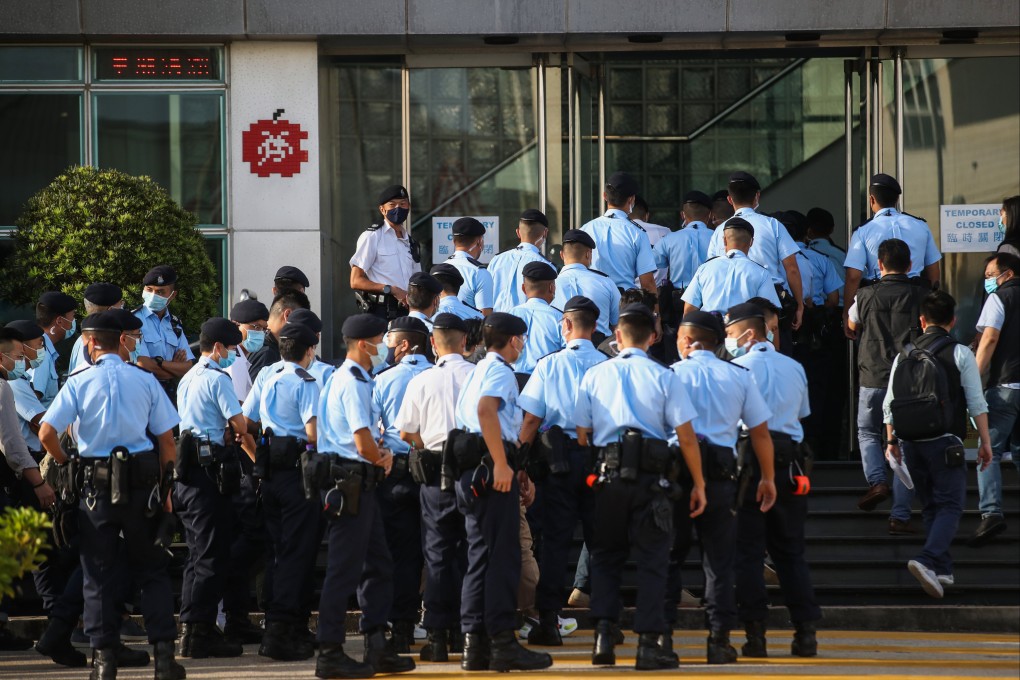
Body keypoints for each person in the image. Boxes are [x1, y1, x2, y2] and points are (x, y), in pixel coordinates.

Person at [37, 311, 184, 680]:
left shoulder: (78, 382)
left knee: (97, 574)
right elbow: (167, 440)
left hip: (94, 489)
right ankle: (164, 658)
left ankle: (103, 662)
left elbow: (46, 433)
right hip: (141, 488)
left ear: (88, 342)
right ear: (122, 340)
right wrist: (166, 489)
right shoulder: (144, 379)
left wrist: (66, 461)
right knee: (152, 569)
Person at [575, 303, 707, 671]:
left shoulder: (595, 375)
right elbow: (686, 436)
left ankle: (604, 634)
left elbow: (582, 434)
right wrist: (698, 483)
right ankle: (649, 645)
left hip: (608, 475)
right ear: (653, 337)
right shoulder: (665, 376)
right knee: (652, 561)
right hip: (653, 478)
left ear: (616, 336)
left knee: (605, 557)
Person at [664, 310, 776, 666]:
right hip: (722, 475)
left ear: (686, 341)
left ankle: (662, 639)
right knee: (719, 562)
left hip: (674, 472)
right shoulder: (738, 375)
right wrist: (769, 477)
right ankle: (719, 640)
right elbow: (759, 432)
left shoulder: (668, 375)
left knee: (667, 559)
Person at [314, 313, 415, 679]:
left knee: (378, 566)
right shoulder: (353, 381)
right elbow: (362, 439)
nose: (384, 349)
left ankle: (377, 645)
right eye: (380, 342)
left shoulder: (350, 378)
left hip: (358, 483)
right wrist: (383, 456)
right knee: (344, 570)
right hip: (351, 481)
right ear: (362, 344)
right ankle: (330, 651)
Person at [452, 312, 552, 672]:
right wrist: (502, 464)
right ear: (513, 340)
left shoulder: (478, 367)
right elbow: (485, 411)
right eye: (521, 339)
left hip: (473, 469)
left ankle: (475, 644)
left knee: (481, 557)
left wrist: (510, 463)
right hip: (489, 470)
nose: (523, 345)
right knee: (503, 558)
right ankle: (502, 642)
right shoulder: (500, 371)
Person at [726, 303, 821, 659]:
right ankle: (805, 633)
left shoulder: (735, 369)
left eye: (730, 332)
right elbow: (801, 414)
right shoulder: (794, 367)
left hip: (748, 460)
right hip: (792, 463)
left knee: (748, 553)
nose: (728, 339)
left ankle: (756, 636)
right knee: (791, 551)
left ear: (749, 333)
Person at [883, 291, 993, 598]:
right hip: (945, 443)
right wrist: (985, 443)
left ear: (921, 320)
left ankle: (942, 570)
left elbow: (890, 403)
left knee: (931, 505)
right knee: (951, 505)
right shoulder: (960, 352)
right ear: (953, 321)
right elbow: (976, 402)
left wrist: (892, 440)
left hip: (910, 443)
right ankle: (927, 559)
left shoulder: (903, 354)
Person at [517, 296, 607, 646]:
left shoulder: (548, 365)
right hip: (599, 461)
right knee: (601, 542)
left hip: (558, 462)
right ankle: (604, 625)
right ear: (595, 326)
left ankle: (549, 621)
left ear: (566, 325)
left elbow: (530, 420)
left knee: (554, 542)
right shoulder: (606, 365)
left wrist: (519, 464)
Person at [175, 318, 256, 660]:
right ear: (219, 348)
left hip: (189, 475)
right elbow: (238, 425)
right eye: (233, 349)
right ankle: (202, 634)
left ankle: (192, 630)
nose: (235, 356)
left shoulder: (188, 377)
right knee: (211, 557)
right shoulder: (217, 380)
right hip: (210, 476)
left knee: (197, 557)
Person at [395, 313, 474, 663]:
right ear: (465, 342)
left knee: (439, 553)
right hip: (474, 471)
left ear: (433, 344)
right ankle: (468, 632)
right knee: (473, 551)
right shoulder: (479, 375)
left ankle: (439, 636)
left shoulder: (422, 381)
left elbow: (405, 432)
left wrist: (426, 441)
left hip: (435, 472)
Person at [241, 321, 321, 662]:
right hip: (297, 472)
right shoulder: (306, 381)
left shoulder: (268, 375)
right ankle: (280, 631)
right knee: (296, 552)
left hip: (270, 471)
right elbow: (314, 433)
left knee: (279, 550)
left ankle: (292, 627)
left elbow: (246, 421)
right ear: (309, 350)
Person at [847, 238, 926, 533]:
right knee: (903, 443)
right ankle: (900, 515)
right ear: (909, 265)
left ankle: (878, 481)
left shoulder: (865, 295)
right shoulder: (921, 294)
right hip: (909, 381)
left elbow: (852, 326)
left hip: (873, 376)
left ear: (879, 265)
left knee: (867, 431)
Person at [372, 316, 432, 651]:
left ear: (405, 344)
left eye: (390, 341)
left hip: (394, 470)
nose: (386, 347)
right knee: (440, 550)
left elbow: (370, 426)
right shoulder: (440, 377)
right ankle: (440, 623)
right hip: (436, 469)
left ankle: (403, 625)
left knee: (401, 552)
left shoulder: (383, 379)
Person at [843, 173, 941, 336]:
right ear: (897, 200)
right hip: (915, 301)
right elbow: (934, 272)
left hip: (877, 301)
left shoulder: (863, 231)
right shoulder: (921, 226)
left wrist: (847, 312)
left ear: (872, 199)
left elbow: (853, 276)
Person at [706, 172, 804, 333]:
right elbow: (792, 268)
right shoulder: (773, 225)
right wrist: (799, 305)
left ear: (730, 199)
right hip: (770, 303)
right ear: (757, 196)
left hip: (733, 303)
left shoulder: (719, 232)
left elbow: (713, 269)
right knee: (774, 352)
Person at [971, 252, 1020, 545]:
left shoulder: (1000, 298)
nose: (988, 280)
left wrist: (974, 379)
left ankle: (991, 513)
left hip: (1005, 385)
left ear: (1008, 274)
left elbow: (988, 339)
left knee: (988, 450)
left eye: (991, 275)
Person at [682, 217, 781, 315]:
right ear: (751, 242)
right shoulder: (762, 273)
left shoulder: (704, 268)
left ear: (724, 241)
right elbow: (769, 313)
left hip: (709, 328)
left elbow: (689, 309)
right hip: (744, 329)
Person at [350, 185, 421, 320]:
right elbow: (355, 281)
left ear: (409, 206)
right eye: (392, 205)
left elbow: (417, 279)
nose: (398, 208)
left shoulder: (411, 243)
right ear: (382, 210)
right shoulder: (372, 237)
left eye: (402, 204)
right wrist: (391, 289)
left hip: (408, 312)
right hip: (381, 312)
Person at [580, 172, 657, 295]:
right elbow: (647, 283)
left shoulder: (585, 229)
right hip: (624, 302)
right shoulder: (637, 233)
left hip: (592, 299)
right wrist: (656, 313)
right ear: (631, 199)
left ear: (605, 196)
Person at [551, 229, 620, 347]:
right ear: (588, 254)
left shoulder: (550, 286)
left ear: (562, 255)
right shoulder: (606, 282)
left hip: (561, 348)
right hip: (600, 350)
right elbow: (618, 324)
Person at [134, 265, 194, 387]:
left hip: (169, 394)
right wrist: (174, 367)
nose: (153, 295)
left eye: (160, 292)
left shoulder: (174, 324)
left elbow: (188, 367)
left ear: (172, 295)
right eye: (149, 290)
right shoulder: (133, 321)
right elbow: (143, 366)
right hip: (143, 391)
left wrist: (158, 362)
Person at [509, 262, 564, 385]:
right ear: (551, 288)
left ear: (524, 288)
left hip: (512, 381)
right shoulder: (560, 318)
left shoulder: (509, 315)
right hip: (544, 383)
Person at [489, 209, 553, 312]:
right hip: (526, 324)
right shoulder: (545, 265)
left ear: (518, 232)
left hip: (495, 323)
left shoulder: (497, 260)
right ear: (545, 233)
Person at [247, 289, 311, 382]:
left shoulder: (262, 344)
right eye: (301, 322)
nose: (301, 329)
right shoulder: (267, 353)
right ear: (287, 315)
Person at [29, 291, 78, 408]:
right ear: (60, 321)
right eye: (72, 316)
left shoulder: (46, 350)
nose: (74, 321)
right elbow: (33, 402)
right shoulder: (42, 354)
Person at [68, 283, 128, 372]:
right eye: (120, 304)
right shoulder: (104, 343)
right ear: (111, 310)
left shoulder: (82, 340)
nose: (122, 306)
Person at [446, 217, 495, 316]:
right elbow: (485, 317)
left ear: (453, 241)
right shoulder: (479, 273)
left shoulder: (440, 269)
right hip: (468, 330)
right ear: (479, 242)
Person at [226, 299, 270, 401]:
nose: (261, 333)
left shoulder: (240, 358)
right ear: (236, 325)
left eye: (264, 329)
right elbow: (237, 407)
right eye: (257, 327)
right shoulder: (235, 361)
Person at [805, 207, 847, 304]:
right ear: (832, 229)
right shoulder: (842, 254)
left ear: (808, 230)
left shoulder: (803, 254)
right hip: (845, 308)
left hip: (818, 308)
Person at [629, 197, 671, 287]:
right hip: (658, 292)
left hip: (627, 294)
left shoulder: (620, 232)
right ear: (647, 215)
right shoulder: (665, 232)